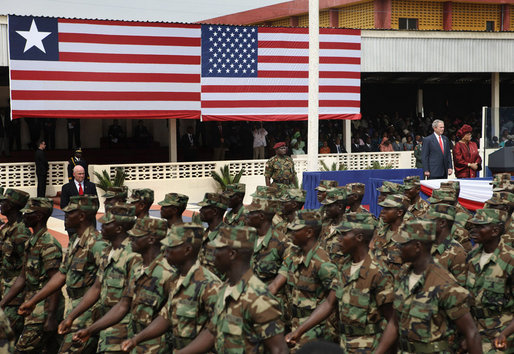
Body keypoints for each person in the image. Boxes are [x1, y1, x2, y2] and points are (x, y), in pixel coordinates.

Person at [285, 213, 394, 353]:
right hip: (344, 345)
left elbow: (393, 321)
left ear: (359, 238)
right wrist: (298, 331)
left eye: (343, 235)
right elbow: (329, 303)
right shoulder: (344, 267)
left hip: (369, 347)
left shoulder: (378, 273)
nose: (338, 240)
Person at [375, 219, 482, 354]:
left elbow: (471, 333)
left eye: (403, 244)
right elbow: (395, 322)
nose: (397, 248)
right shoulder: (404, 276)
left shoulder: (445, 285)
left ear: (417, 246)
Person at [176, 226, 288, 353]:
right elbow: (212, 332)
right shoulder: (224, 288)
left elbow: (279, 349)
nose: (212, 254)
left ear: (232, 254)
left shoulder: (259, 298)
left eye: (217, 250)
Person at [18, 195, 107, 353]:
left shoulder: (98, 245)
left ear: (81, 216)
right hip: (73, 311)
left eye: (69, 213)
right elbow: (61, 275)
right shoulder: (74, 241)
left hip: (87, 316)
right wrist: (33, 301)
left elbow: (100, 287)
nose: (65, 216)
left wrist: (72, 316)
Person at [72, 217, 173, 353]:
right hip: (136, 343)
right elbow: (123, 305)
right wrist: (90, 330)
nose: (131, 238)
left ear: (151, 240)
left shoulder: (167, 273)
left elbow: (168, 319)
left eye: (137, 236)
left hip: (157, 347)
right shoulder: (139, 269)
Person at [121, 223, 221, 352]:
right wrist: (136, 339)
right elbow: (166, 317)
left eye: (171, 247)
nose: (165, 250)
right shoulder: (175, 279)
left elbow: (213, 331)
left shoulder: (210, 285)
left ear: (187, 250)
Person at [57, 203, 137, 353]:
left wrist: (90, 329)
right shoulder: (108, 252)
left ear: (119, 229)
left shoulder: (132, 256)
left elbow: (125, 304)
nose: (101, 226)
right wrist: (71, 317)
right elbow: (96, 287)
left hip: (123, 327)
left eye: (107, 224)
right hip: (105, 321)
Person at [0, 198, 63, 353]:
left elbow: (55, 283)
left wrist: (51, 317)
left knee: (22, 350)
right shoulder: (32, 242)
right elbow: (22, 278)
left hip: (45, 307)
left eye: (28, 214)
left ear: (39, 217)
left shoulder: (49, 244)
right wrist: (2, 303)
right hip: (31, 304)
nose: (24, 217)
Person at [268, 210, 339, 349]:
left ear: (309, 233)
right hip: (295, 323)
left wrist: (300, 331)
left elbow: (331, 302)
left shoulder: (323, 264)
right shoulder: (294, 254)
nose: (291, 233)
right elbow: (275, 285)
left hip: (316, 329)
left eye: (295, 230)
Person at [466, 208, 514, 353]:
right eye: (473, 226)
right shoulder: (472, 256)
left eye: (480, 227)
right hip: (475, 332)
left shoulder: (509, 259)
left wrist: (505, 334)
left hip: (501, 334)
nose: (474, 230)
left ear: (495, 231)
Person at [0, 189, 31, 338]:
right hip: (5, 286)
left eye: (4, 201)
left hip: (15, 294)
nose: (1, 203)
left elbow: (27, 267)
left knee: (7, 336)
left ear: (12, 206)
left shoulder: (21, 232)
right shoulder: (7, 229)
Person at [197, 193, 229, 279]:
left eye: (204, 208)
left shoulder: (228, 236)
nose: (200, 210)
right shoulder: (204, 234)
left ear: (214, 212)